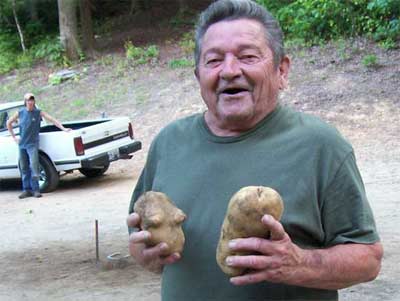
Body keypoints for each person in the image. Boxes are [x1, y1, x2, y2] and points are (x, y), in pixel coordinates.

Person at [127, 0, 383, 300]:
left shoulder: (322, 146)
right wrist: (143, 253)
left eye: (247, 56)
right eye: (213, 61)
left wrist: (299, 264)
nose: (229, 71)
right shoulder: (169, 143)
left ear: (282, 70)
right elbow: (140, 237)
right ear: (198, 76)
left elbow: (368, 258)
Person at [6, 93, 71, 199]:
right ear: (25, 102)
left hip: (33, 144)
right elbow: (9, 123)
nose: (30, 102)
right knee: (24, 167)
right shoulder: (20, 113)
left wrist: (63, 128)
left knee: (34, 166)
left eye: (32, 100)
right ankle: (26, 190)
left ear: (34, 102)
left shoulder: (38, 112)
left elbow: (51, 119)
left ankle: (36, 189)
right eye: (28, 100)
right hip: (22, 144)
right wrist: (14, 137)